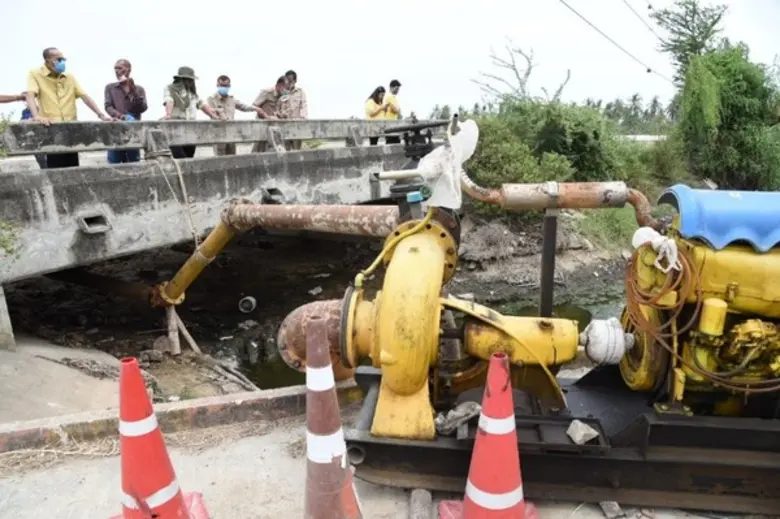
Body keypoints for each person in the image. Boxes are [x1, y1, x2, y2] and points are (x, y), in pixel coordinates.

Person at [25, 47, 113, 169]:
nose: (62, 62)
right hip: (52, 128)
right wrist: (37, 116)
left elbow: (84, 96)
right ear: (47, 60)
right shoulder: (35, 74)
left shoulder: (69, 77)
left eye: (63, 59)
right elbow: (30, 95)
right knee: (55, 167)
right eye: (58, 59)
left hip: (71, 128)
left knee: (72, 167)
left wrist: (101, 115)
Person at [162, 66, 221, 159]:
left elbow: (201, 104)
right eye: (188, 80)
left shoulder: (192, 93)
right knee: (179, 156)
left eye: (191, 80)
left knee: (189, 156)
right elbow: (169, 101)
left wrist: (213, 115)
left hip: (190, 129)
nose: (190, 82)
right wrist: (168, 114)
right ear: (182, 79)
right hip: (176, 128)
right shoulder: (170, 89)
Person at [206, 75, 264, 156]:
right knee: (220, 159)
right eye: (221, 85)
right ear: (217, 85)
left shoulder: (231, 99)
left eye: (226, 86)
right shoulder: (211, 99)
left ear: (229, 86)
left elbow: (243, 107)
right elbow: (212, 114)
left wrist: (256, 109)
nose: (224, 87)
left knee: (232, 157)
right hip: (218, 134)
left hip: (231, 133)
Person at [104, 59, 148, 164]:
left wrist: (132, 90)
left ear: (128, 70)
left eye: (120, 68)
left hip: (132, 132)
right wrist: (120, 116)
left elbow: (143, 108)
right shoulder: (110, 88)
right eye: (115, 68)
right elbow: (108, 106)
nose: (117, 71)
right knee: (114, 163)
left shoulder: (139, 89)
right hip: (115, 130)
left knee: (133, 162)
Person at [251, 76, 290, 153]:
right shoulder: (267, 92)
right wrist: (265, 116)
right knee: (258, 148)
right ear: (279, 85)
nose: (286, 90)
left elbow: (275, 110)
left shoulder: (282, 96)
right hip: (262, 124)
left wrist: (281, 115)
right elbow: (254, 106)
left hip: (274, 126)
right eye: (285, 88)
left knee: (274, 148)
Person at [279, 70, 308, 150]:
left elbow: (304, 106)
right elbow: (279, 107)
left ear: (295, 81)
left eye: (290, 81)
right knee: (285, 149)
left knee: (297, 150)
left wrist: (303, 119)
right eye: (286, 80)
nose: (288, 83)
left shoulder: (300, 92)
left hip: (297, 125)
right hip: (285, 125)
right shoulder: (283, 93)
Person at [384, 79, 402, 144]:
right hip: (390, 125)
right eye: (396, 88)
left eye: (398, 89)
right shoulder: (390, 97)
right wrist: (398, 109)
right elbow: (397, 110)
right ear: (391, 87)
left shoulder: (390, 97)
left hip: (391, 124)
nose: (397, 91)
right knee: (393, 143)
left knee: (394, 142)